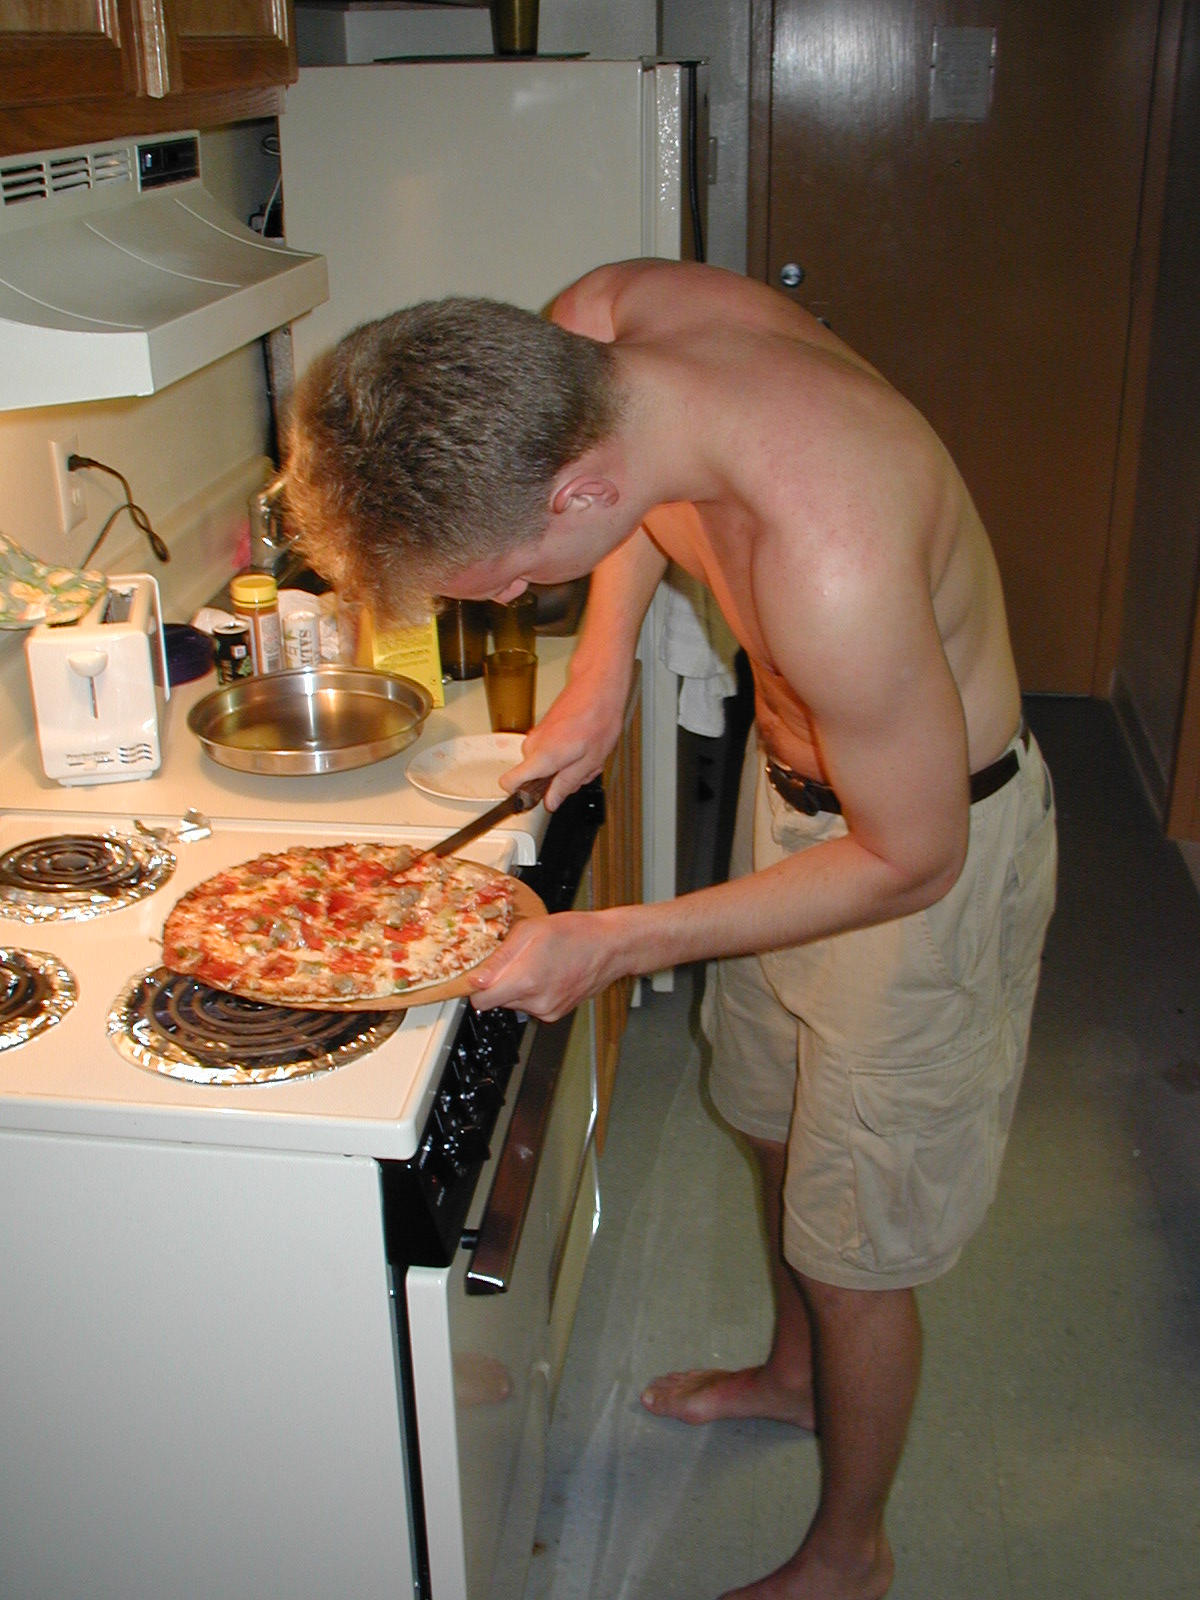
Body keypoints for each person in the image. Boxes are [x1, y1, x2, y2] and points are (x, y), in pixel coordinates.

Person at [284, 259, 1058, 1600]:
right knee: (770, 1113)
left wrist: (614, 940)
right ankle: (795, 1377)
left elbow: (914, 857)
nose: (512, 601)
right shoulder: (604, 330)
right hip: (793, 797)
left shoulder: (831, 554)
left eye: (512, 582)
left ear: (573, 497)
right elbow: (626, 505)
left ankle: (851, 1554)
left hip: (923, 855)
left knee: (856, 1245)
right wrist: (599, 674)